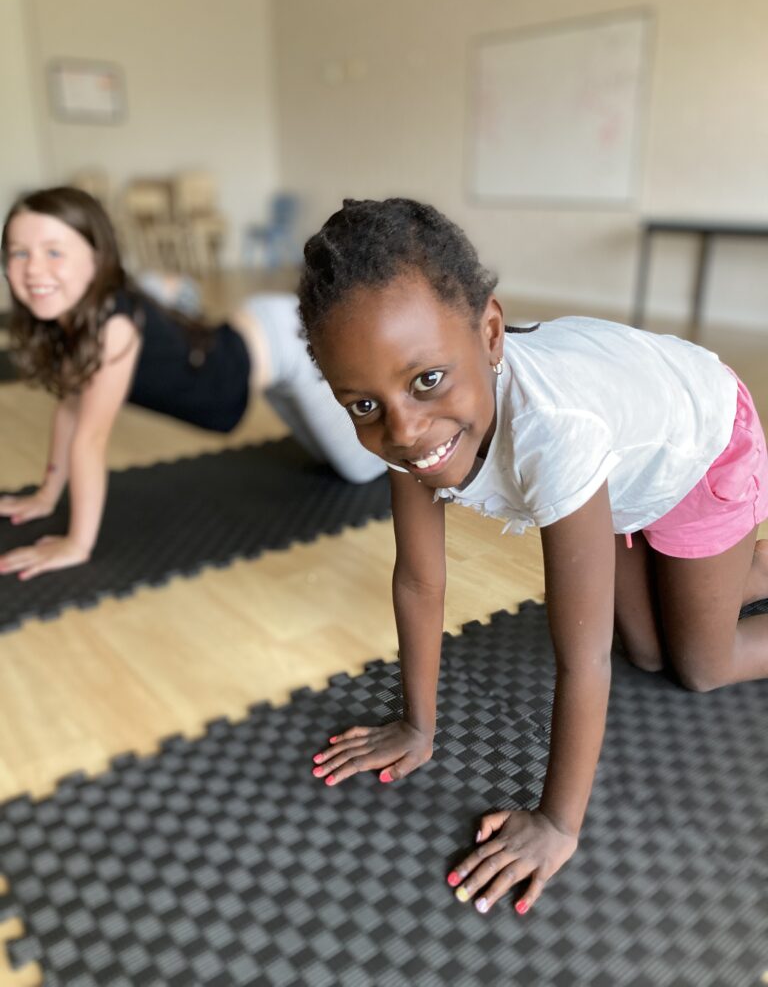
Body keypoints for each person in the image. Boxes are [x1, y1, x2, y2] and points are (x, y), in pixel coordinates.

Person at [299, 197, 768, 917]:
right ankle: (731, 569)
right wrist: (416, 726)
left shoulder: (555, 432)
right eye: (362, 405)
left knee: (701, 666)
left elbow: (580, 657)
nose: (404, 430)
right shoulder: (405, 422)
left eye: (428, 380)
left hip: (703, 445)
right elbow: (421, 580)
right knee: (645, 652)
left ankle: (729, 558)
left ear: (490, 331)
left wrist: (556, 824)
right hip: (628, 478)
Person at [0, 186, 384, 580]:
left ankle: (433, 408)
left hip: (290, 345)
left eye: (54, 251)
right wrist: (46, 496)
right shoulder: (73, 318)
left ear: (97, 257)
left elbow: (90, 439)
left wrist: (75, 544)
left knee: (365, 465)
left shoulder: (111, 326)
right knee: (332, 460)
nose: (33, 268)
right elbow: (70, 407)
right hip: (262, 355)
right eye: (19, 252)